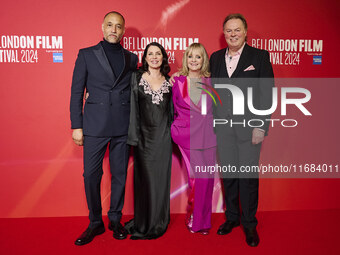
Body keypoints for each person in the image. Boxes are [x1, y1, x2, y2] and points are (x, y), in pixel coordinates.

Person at [70, 11, 138, 245]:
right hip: (94, 125)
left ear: (123, 30)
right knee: (91, 175)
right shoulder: (86, 54)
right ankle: (95, 222)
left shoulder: (131, 58)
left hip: (122, 125)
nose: (114, 29)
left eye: (118, 26)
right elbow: (77, 92)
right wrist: (76, 126)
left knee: (119, 174)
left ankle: (115, 219)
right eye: (110, 25)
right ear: (102, 27)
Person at [210, 13, 274, 247]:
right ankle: (232, 218)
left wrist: (261, 126)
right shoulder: (216, 57)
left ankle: (249, 224)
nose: (233, 34)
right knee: (229, 175)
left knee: (247, 177)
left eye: (237, 30)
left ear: (245, 31)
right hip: (223, 129)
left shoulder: (259, 56)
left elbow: (267, 94)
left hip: (249, 129)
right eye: (229, 30)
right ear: (223, 33)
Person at [125, 42, 172, 239]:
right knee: (145, 181)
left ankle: (158, 222)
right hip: (143, 138)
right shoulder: (135, 77)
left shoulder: (170, 81)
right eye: (150, 54)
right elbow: (131, 108)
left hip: (164, 138)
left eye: (158, 54)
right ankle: (143, 221)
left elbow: (174, 110)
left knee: (160, 181)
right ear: (144, 58)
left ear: (163, 57)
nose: (154, 57)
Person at [171, 43, 216, 234]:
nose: (194, 60)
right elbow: (169, 108)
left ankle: (204, 221)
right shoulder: (177, 81)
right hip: (187, 135)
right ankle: (194, 217)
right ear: (186, 59)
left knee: (207, 179)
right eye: (190, 56)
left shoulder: (211, 81)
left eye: (198, 57)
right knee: (198, 178)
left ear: (203, 59)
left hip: (208, 136)